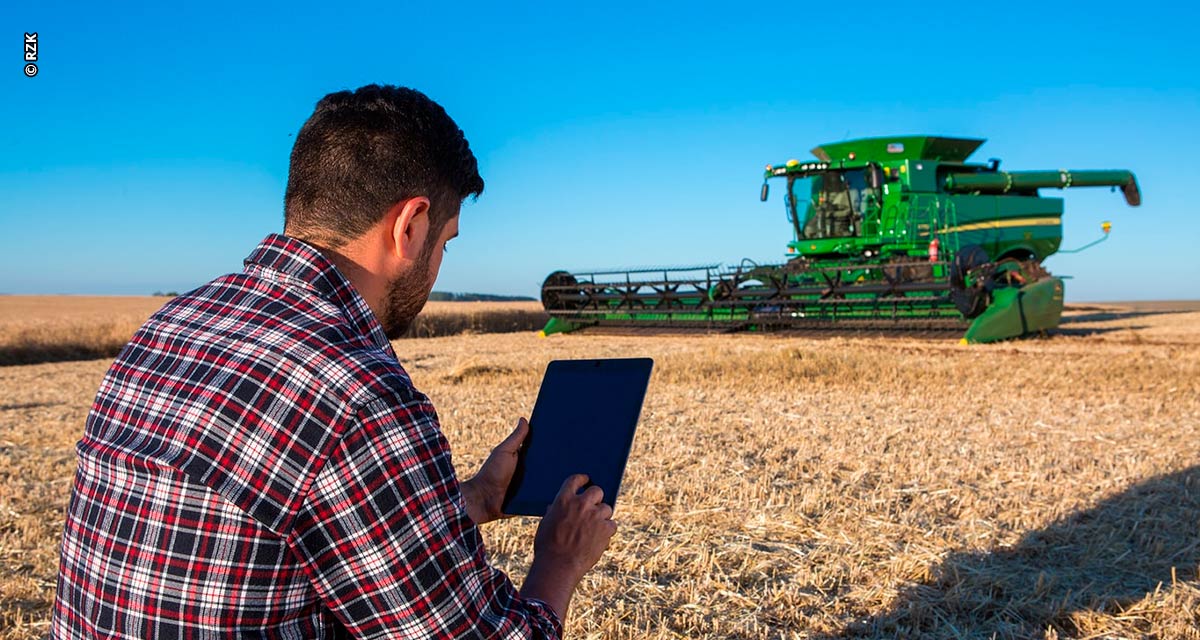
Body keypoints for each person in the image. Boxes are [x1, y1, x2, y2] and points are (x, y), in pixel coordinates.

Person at [51, 84, 616, 639]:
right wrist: (560, 561)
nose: (440, 261)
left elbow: (300, 526)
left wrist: (473, 499)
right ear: (410, 226)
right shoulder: (358, 393)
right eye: (446, 241)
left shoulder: (171, 327)